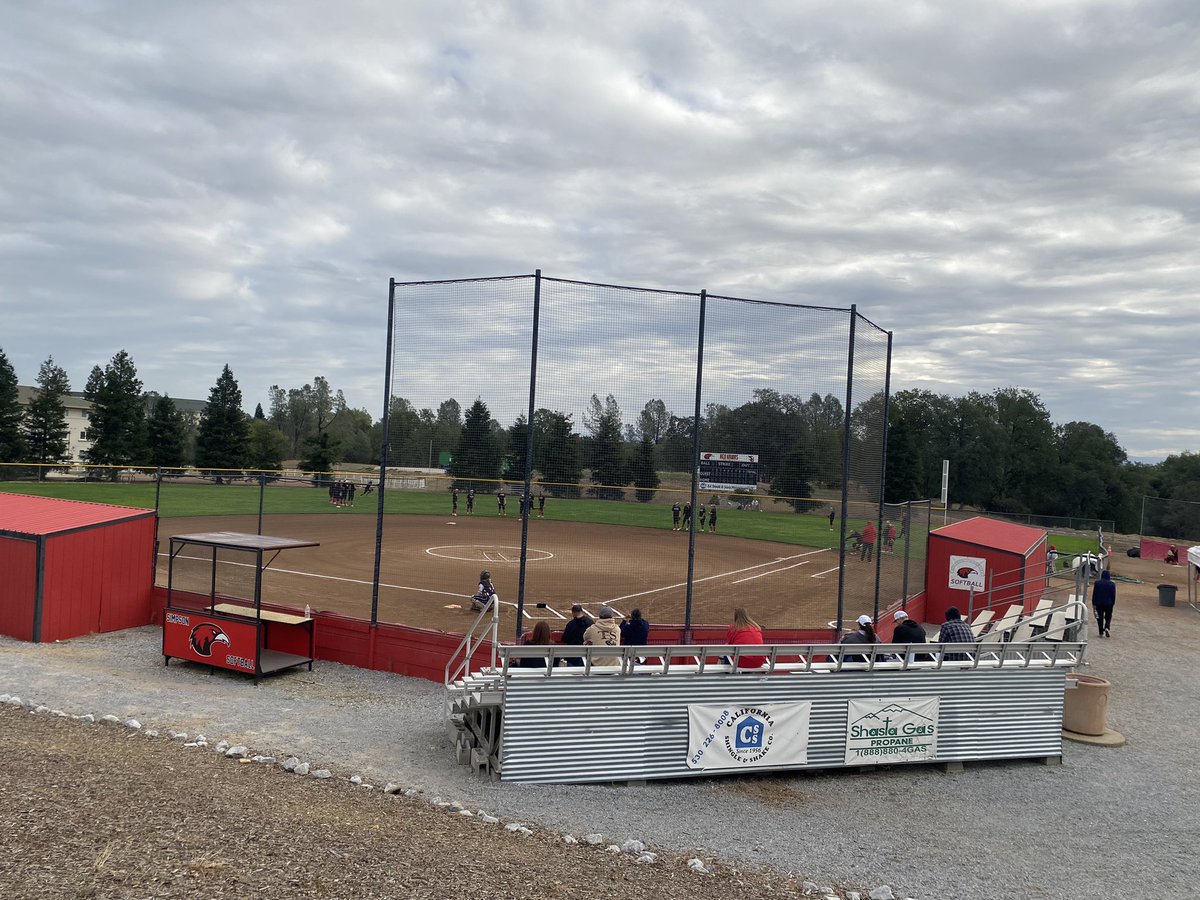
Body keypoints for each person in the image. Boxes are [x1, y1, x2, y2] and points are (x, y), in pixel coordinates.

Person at [1092, 569, 1116, 637]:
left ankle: (1100, 632)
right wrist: (1113, 603)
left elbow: (1095, 594)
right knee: (1108, 616)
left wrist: (1093, 603)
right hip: (1109, 603)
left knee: (1100, 617)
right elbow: (1113, 595)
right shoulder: (1112, 584)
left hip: (1099, 603)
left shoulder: (1097, 583)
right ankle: (1107, 627)